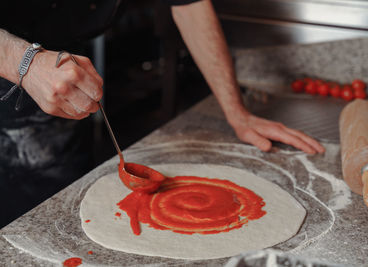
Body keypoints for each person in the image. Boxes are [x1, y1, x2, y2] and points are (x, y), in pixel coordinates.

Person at [0, 0, 324, 227]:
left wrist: (236, 111)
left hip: (59, 57)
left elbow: (189, 4)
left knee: (57, 212)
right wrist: (22, 62)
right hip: (10, 54)